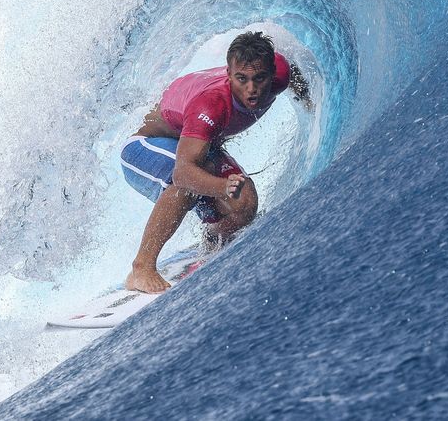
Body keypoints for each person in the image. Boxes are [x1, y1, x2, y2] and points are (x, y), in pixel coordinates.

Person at [119, 31, 313, 293]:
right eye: (241, 79)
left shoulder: (280, 73)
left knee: (244, 202)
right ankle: (141, 268)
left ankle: (213, 238)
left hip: (193, 144)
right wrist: (221, 187)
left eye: (260, 79)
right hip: (144, 147)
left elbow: (293, 79)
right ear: (229, 74)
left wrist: (311, 103)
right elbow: (183, 173)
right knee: (187, 186)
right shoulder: (211, 105)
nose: (252, 89)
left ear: (271, 73)